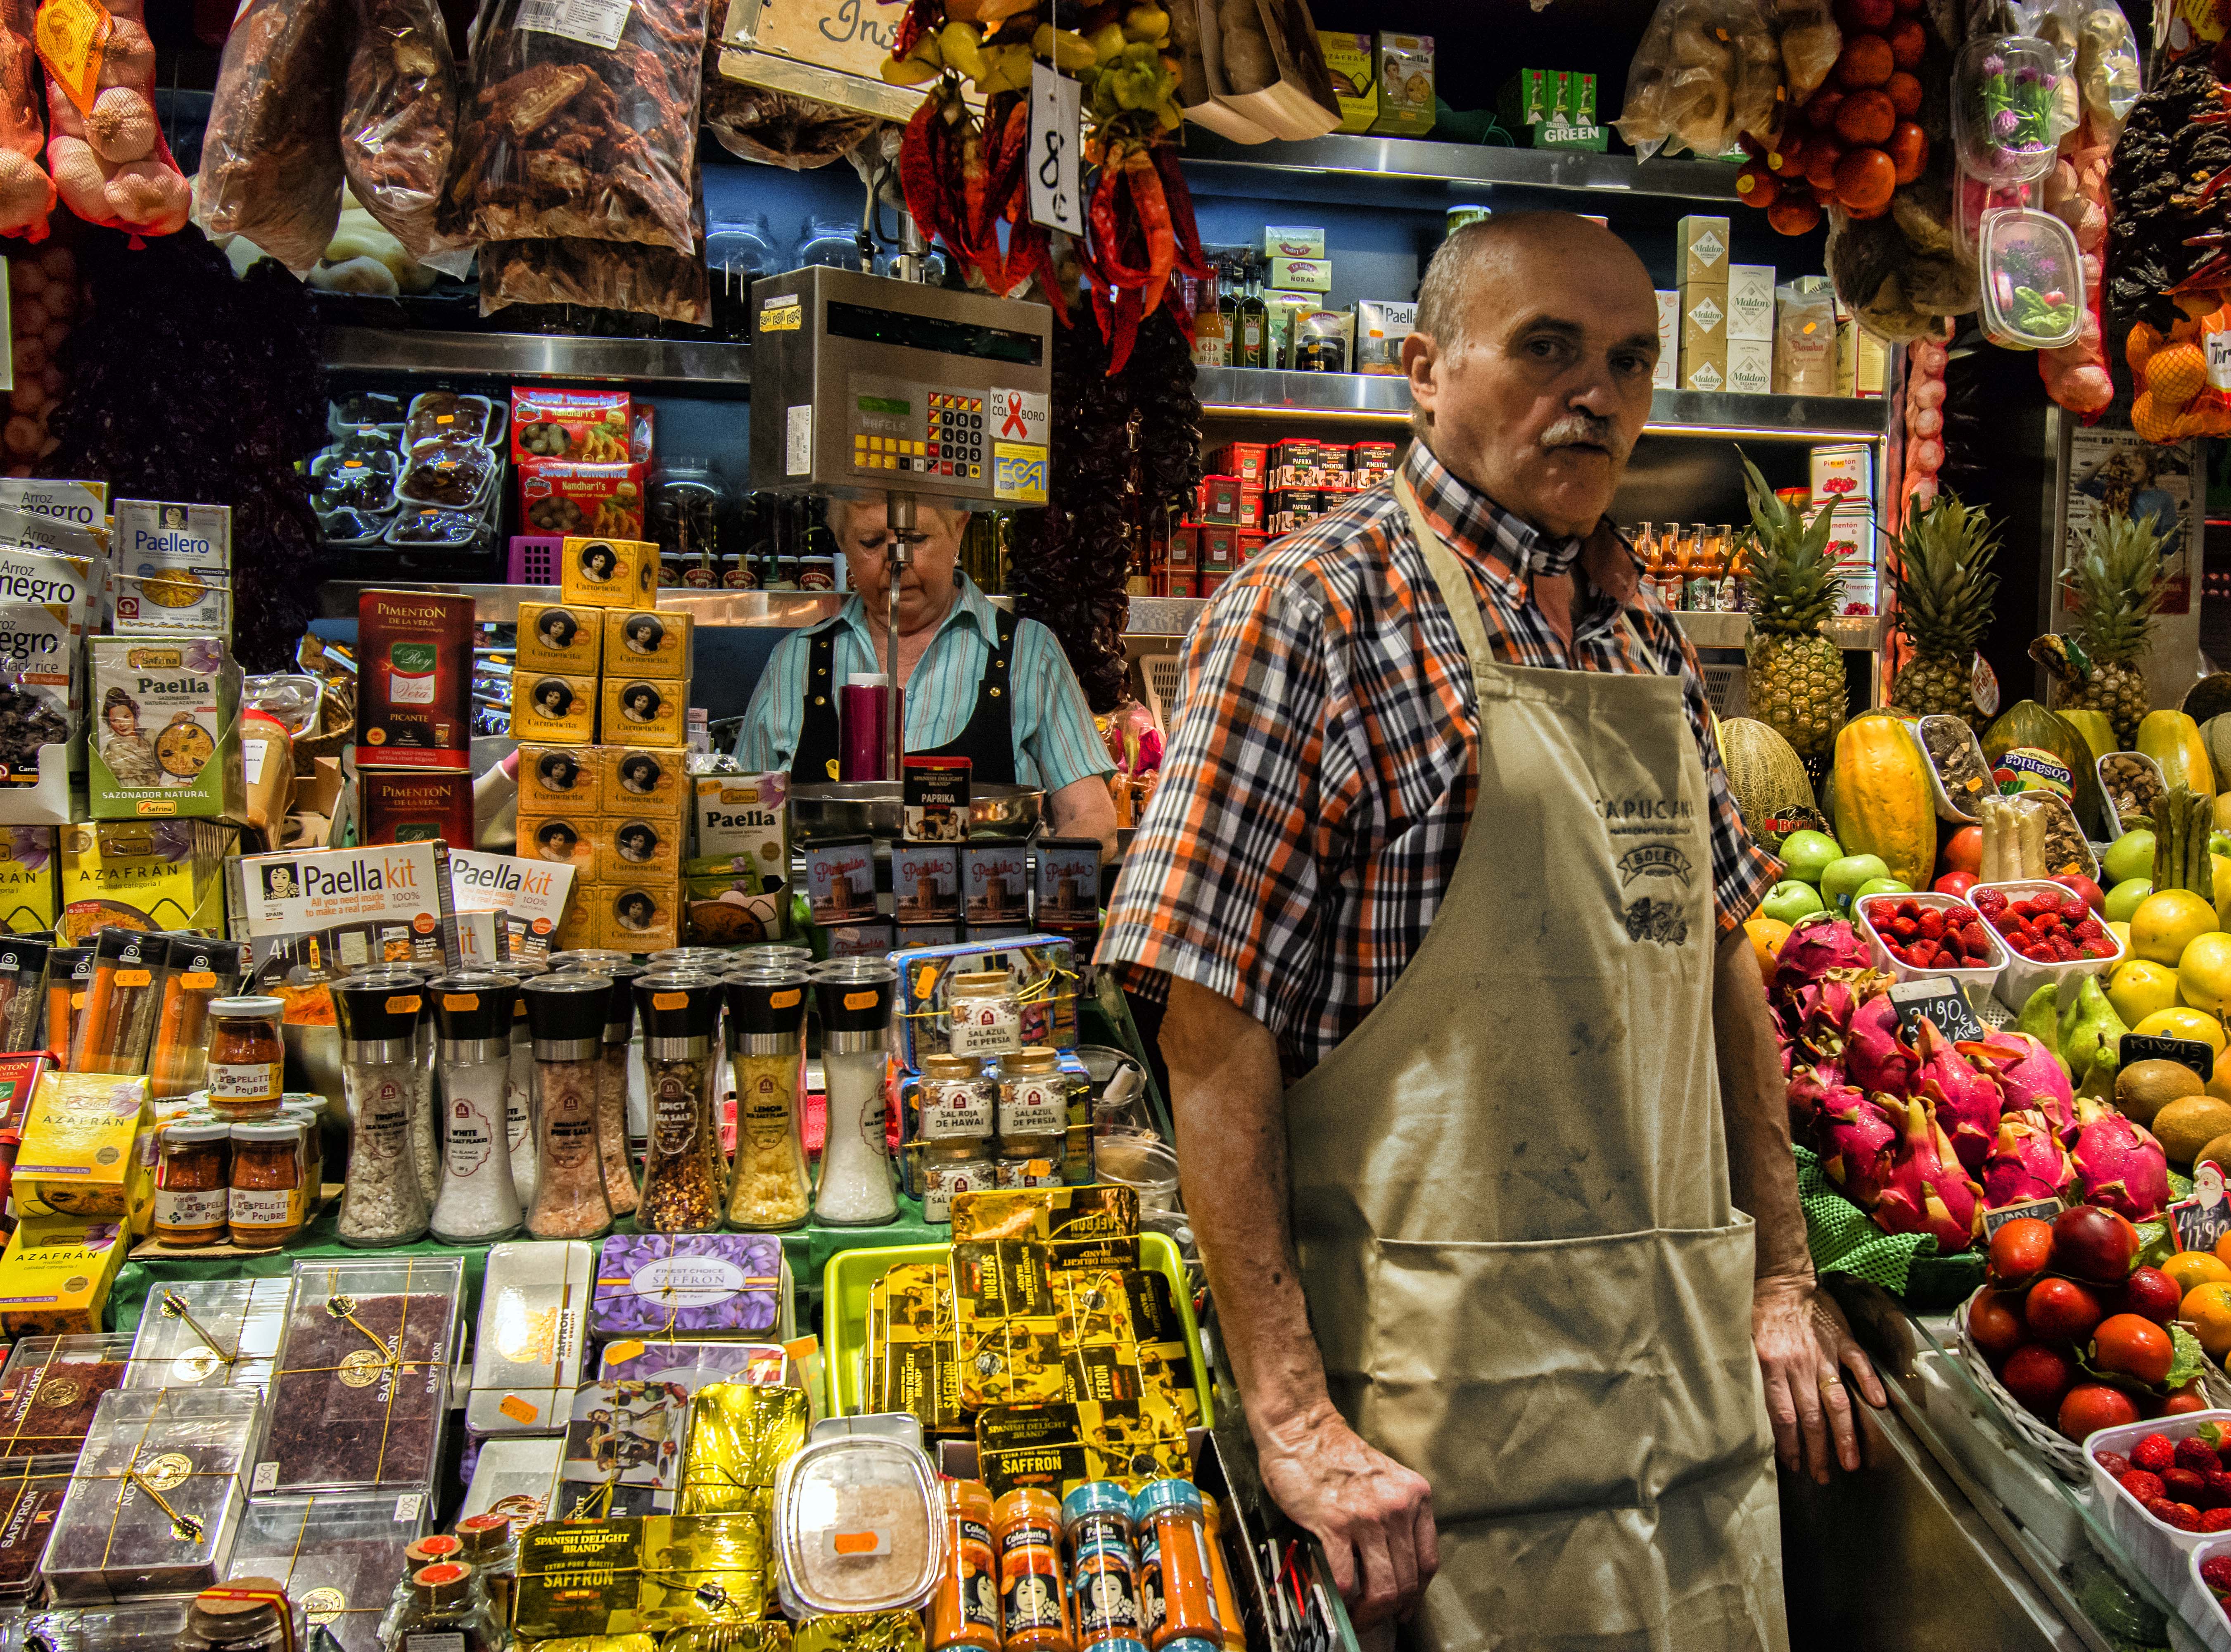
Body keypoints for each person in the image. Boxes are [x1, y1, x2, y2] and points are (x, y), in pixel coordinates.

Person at [1098, 213, 1880, 1651]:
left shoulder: (1644, 640)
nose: (1595, 395)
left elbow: (1719, 967)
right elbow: (1206, 1030)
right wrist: (1290, 1414)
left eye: (1630, 361)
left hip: (1675, 1394)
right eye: (1546, 350)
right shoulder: (1309, 613)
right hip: (1431, 1421)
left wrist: (1781, 1273)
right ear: (1424, 369)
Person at [737, 492, 1119, 851]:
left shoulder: (1029, 653)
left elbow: (1090, 817)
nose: (897, 563)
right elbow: (739, 822)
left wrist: (1043, 888)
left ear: (959, 529)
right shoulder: (795, 660)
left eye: (917, 539)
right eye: (870, 542)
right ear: (841, 543)